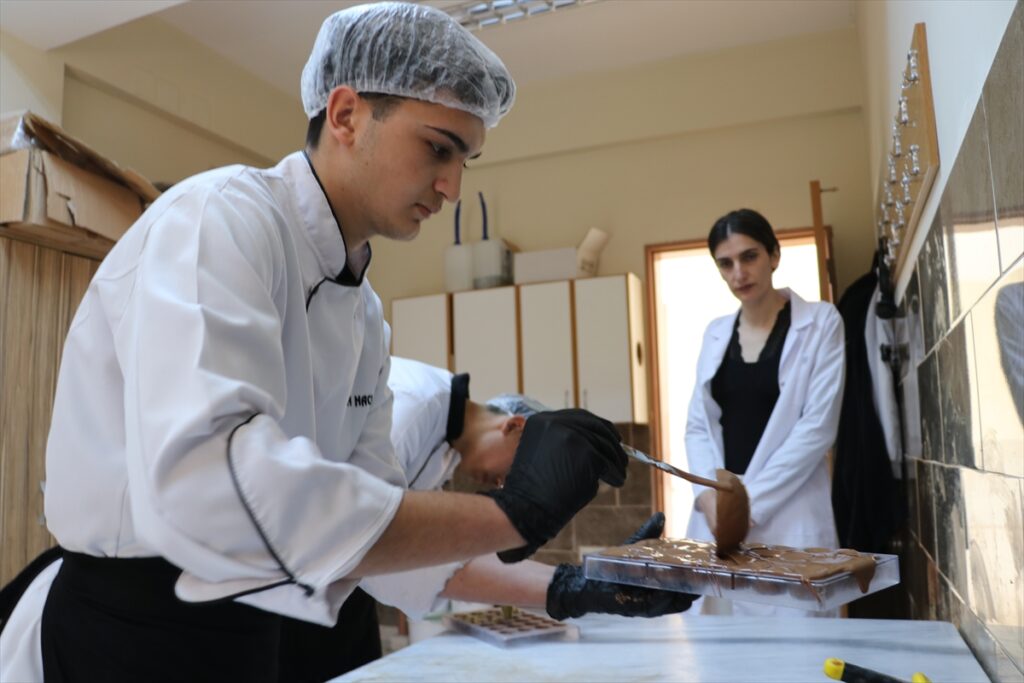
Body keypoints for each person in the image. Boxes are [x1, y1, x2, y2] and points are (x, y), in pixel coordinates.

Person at [0, 5, 628, 681]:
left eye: (464, 160)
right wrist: (511, 513)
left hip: (249, 637)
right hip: (126, 633)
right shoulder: (220, 219)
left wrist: (562, 577)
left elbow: (373, 527)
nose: (452, 187)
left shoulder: (364, 318)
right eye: (438, 148)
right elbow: (213, 485)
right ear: (346, 114)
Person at [278, 357, 695, 681]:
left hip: (325, 592)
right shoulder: (411, 406)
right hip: (283, 594)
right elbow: (377, 544)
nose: (501, 483)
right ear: (514, 426)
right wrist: (573, 587)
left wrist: (586, 582)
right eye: (517, 473)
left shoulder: (439, 444)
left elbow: (424, 555)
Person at [684, 209, 845, 617]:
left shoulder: (821, 322)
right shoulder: (715, 332)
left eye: (749, 256)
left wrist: (746, 507)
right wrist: (709, 499)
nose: (739, 273)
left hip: (790, 511)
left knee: (794, 645)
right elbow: (698, 426)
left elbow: (817, 428)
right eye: (726, 263)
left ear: (774, 255)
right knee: (719, 646)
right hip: (719, 521)